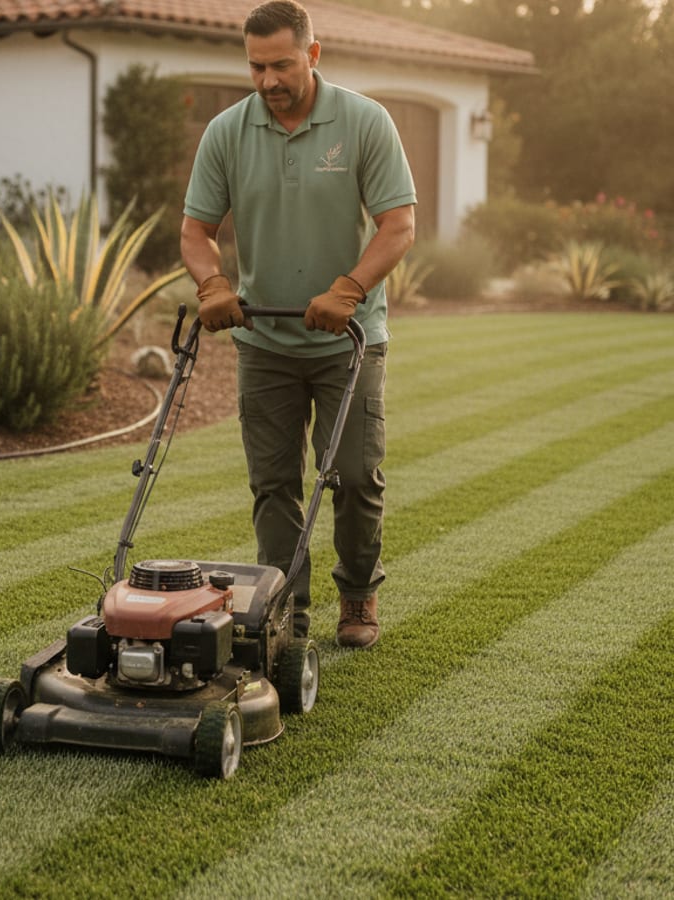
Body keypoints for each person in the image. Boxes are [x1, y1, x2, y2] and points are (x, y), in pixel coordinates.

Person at [180, 0, 416, 648]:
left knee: (356, 477)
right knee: (273, 485)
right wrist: (213, 283)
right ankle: (286, 614)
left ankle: (359, 593)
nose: (267, 81)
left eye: (281, 64)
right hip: (265, 341)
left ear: (312, 54)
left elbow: (399, 225)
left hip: (349, 342)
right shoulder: (228, 132)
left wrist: (349, 288)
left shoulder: (365, 122)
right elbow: (196, 230)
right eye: (256, 67)